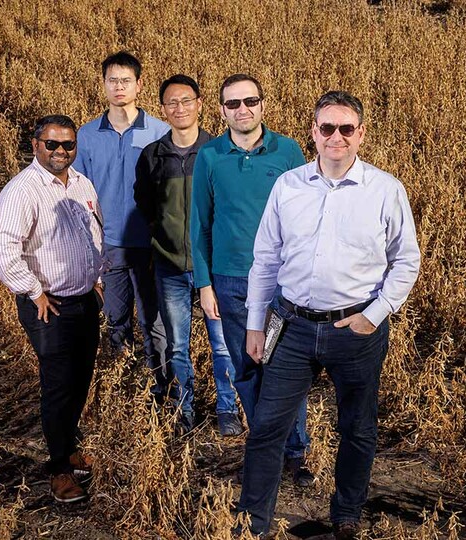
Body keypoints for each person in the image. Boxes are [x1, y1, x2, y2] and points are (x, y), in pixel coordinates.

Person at [237, 91, 421, 538]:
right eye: (326, 129)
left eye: (345, 129)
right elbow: (265, 259)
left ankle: (346, 516)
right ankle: (252, 523)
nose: (335, 137)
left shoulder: (385, 189)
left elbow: (406, 261)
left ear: (361, 134)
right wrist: (255, 323)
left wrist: (373, 315)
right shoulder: (289, 186)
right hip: (293, 327)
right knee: (266, 428)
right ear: (313, 133)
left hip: (355, 330)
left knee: (357, 429)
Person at [190, 74, 314, 484]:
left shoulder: (289, 151)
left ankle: (295, 451)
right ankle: (266, 445)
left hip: (281, 283)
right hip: (229, 280)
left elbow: (310, 216)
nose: (242, 109)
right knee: (245, 366)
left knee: (285, 368)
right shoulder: (209, 156)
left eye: (250, 101)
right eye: (232, 103)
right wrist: (204, 284)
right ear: (221, 110)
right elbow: (200, 224)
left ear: (263, 105)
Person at [0, 115, 104, 504]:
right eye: (51, 144)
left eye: (68, 145)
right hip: (49, 307)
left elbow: (94, 234)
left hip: (84, 300)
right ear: (35, 145)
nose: (60, 152)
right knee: (58, 387)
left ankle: (68, 448)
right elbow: (1, 249)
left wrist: (97, 279)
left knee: (80, 381)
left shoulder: (81, 184)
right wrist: (33, 291)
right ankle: (58, 470)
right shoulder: (23, 190)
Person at [134, 74, 241, 436]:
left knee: (222, 345)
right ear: (163, 109)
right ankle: (184, 410)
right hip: (170, 266)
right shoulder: (153, 156)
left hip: (215, 266)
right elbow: (145, 205)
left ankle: (228, 409)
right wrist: (162, 238)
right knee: (178, 346)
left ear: (199, 103)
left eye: (186, 101)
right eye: (171, 103)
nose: (179, 108)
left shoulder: (220, 152)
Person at [74, 51, 171, 401]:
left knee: (154, 324)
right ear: (103, 84)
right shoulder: (86, 136)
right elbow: (80, 191)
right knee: (116, 321)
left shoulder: (160, 132)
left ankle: (160, 390)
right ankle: (125, 389)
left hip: (150, 246)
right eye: (112, 80)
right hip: (108, 246)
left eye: (125, 80)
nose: (119, 87)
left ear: (139, 85)